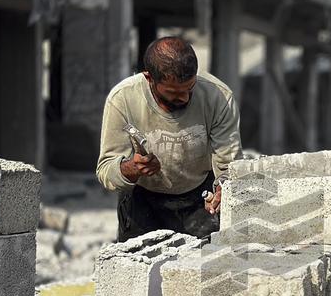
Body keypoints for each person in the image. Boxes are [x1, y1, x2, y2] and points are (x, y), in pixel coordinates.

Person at [96, 37, 243, 242]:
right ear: (149, 79)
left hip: (199, 198)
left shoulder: (218, 97)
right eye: (173, 93)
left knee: (205, 266)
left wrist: (222, 191)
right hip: (142, 200)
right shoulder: (123, 99)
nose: (183, 98)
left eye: (189, 90)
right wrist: (132, 168)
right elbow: (106, 170)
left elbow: (229, 166)